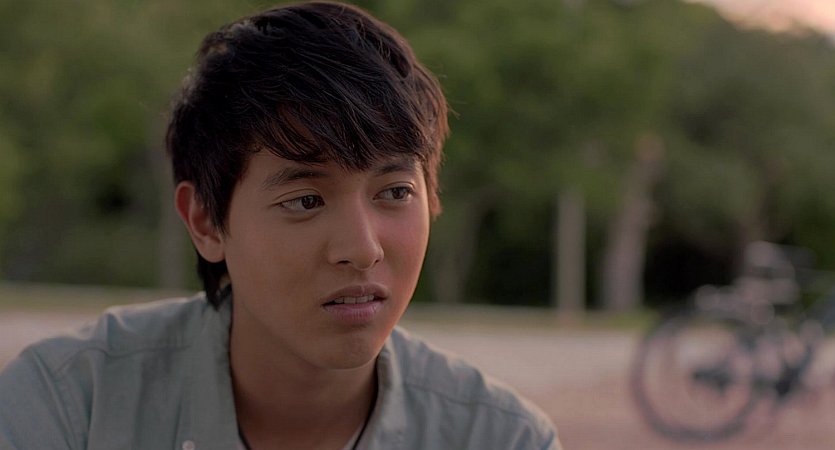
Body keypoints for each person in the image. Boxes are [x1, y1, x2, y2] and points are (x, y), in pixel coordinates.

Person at [0, 2, 562, 449]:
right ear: (206, 221)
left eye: (395, 192)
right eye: (306, 200)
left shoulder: (500, 438)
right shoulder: (70, 407)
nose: (362, 248)